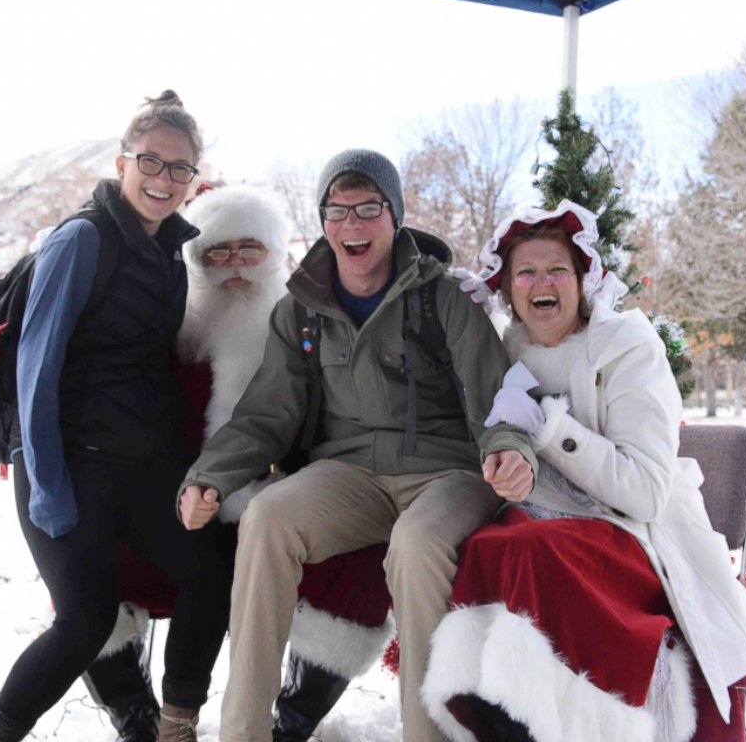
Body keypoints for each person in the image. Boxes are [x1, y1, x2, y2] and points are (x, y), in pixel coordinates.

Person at [177, 149, 537, 742]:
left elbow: (497, 393)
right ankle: (243, 732)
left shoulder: (442, 296)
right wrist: (209, 477)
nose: (352, 225)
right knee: (267, 516)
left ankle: (429, 734)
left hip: (446, 473)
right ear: (322, 222)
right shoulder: (301, 310)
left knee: (416, 544)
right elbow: (267, 412)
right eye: (337, 211)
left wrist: (509, 448)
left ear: (393, 215)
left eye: (367, 209)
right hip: (351, 474)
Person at [421, 201, 746, 742]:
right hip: (539, 523)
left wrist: (551, 428)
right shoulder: (506, 348)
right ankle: (506, 720)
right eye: (526, 273)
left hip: (634, 535)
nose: (543, 284)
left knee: (525, 554)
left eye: (557, 270)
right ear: (509, 289)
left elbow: (647, 495)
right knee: (488, 549)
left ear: (583, 279)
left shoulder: (629, 349)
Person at [82, 184, 395, 742]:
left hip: (287, 501)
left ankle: (292, 720)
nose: (233, 267)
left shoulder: (308, 320)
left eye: (249, 250)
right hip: (175, 500)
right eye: (215, 253)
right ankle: (137, 717)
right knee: (92, 567)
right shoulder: (168, 324)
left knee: (361, 568)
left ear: (273, 253)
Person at [0, 91, 232, 742]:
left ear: (193, 180)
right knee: (85, 621)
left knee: (211, 573)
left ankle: (175, 724)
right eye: (151, 161)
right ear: (122, 162)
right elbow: (37, 372)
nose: (163, 179)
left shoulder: (172, 254)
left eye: (180, 169)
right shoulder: (80, 241)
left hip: (141, 468)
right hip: (63, 463)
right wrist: (51, 492)